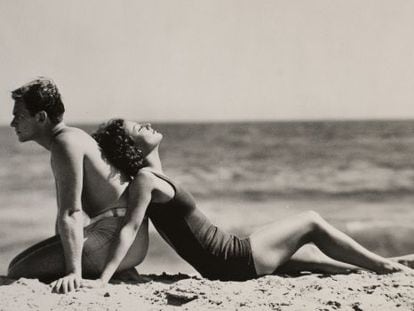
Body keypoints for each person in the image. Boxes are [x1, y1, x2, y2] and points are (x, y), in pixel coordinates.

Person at [88, 118, 413, 286]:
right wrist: (105, 278)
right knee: (311, 221)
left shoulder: (152, 178)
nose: (145, 124)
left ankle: (393, 262)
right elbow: (129, 229)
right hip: (231, 261)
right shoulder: (145, 180)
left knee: (311, 255)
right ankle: (386, 266)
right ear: (130, 146)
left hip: (226, 259)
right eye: (136, 128)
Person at [7, 78, 149, 293]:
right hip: (125, 242)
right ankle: (119, 269)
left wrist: (73, 272)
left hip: (115, 238)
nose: (13, 123)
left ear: (41, 117)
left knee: (17, 269)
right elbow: (63, 214)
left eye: (19, 116)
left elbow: (72, 212)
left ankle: (109, 268)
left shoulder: (65, 144)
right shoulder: (71, 138)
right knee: (20, 261)